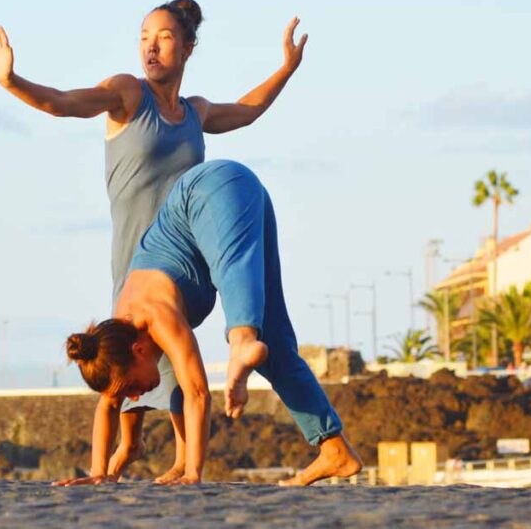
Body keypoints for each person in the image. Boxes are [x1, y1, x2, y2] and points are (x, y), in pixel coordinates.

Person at [0, 0, 309, 482]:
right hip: (136, 257)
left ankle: (181, 463)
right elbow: (65, 103)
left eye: (164, 37)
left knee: (177, 371)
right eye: (143, 39)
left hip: (184, 260)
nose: (150, 48)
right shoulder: (127, 94)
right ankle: (123, 456)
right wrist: (12, 81)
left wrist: (287, 68)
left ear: (189, 47)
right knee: (123, 378)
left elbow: (246, 111)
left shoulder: (194, 112)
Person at [63, 160, 363, 485]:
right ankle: (335, 450)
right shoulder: (120, 336)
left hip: (207, 193)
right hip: (240, 194)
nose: (135, 397)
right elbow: (108, 402)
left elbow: (197, 393)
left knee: (231, 266)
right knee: (275, 346)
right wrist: (98, 473)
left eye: (132, 388)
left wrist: (193, 472)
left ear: (138, 349)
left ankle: (242, 339)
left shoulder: (155, 315)